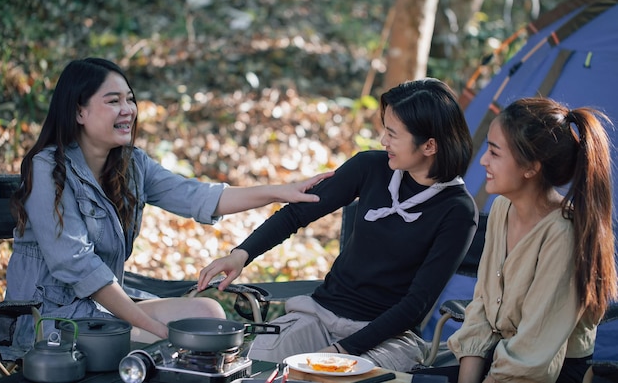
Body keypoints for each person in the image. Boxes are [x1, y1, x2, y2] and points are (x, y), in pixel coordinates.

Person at [2, 57, 333, 359]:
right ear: (79, 112)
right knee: (177, 342)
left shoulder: (132, 165)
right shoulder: (47, 170)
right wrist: (157, 330)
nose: (128, 109)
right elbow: (80, 267)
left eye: (130, 99)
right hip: (52, 322)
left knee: (209, 316)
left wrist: (279, 192)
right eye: (113, 101)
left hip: (104, 313)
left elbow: (200, 197)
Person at [198, 78, 479, 372]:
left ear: (430, 145)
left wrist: (341, 352)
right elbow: (297, 214)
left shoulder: (457, 211)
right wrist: (241, 254)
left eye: (393, 134)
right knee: (258, 366)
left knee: (340, 378)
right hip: (319, 315)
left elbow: (416, 305)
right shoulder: (370, 167)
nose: (384, 141)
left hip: (387, 336)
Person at [415, 97, 617, 382]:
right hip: (500, 355)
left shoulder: (562, 234)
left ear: (531, 167)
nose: (483, 159)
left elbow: (532, 356)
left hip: (547, 369)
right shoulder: (502, 207)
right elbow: (482, 307)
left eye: (495, 153)